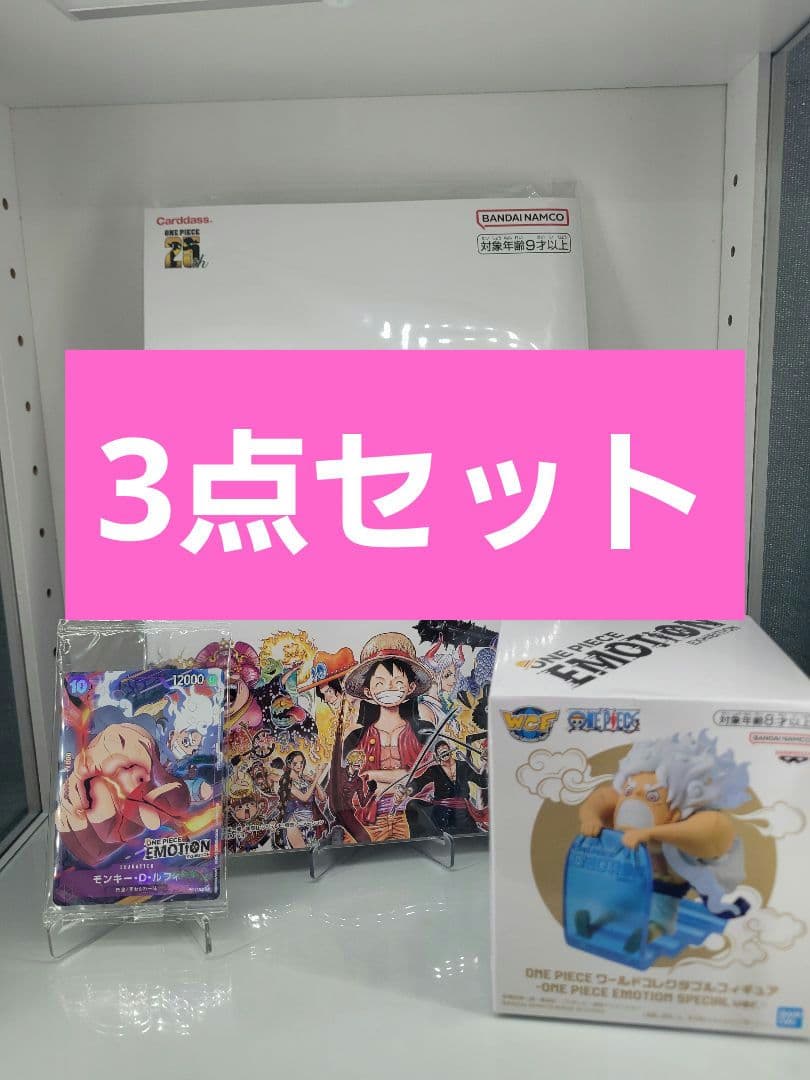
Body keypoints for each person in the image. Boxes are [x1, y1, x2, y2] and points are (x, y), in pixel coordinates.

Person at [576, 731, 750, 952]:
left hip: (665, 883)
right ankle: (595, 923)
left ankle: (649, 933)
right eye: (629, 791)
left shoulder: (693, 817)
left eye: (652, 797)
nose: (634, 800)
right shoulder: (626, 790)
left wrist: (652, 833)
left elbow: (714, 829)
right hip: (632, 876)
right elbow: (601, 798)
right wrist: (591, 818)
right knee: (618, 902)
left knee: (661, 915)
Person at [343, 632, 437, 843]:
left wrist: (375, 775)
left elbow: (428, 776)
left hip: (411, 817)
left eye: (397, 682)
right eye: (380, 683)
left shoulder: (422, 732)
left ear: (410, 687)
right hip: (368, 820)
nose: (390, 688)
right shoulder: (356, 737)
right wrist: (400, 776)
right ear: (368, 691)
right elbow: (353, 780)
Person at [405, 740, 489, 837]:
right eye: (439, 750)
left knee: (472, 837)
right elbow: (418, 782)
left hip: (462, 813)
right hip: (441, 812)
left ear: (450, 750)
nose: (442, 751)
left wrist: (486, 763)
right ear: (436, 756)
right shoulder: (434, 770)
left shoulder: (463, 766)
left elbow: (482, 782)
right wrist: (409, 790)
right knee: (412, 804)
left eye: (445, 748)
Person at [277, 750, 330, 850]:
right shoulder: (287, 781)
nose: (299, 765)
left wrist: (314, 781)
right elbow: (304, 798)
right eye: (295, 763)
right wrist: (316, 777)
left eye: (301, 762)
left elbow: (322, 798)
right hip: (295, 821)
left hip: (312, 820)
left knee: (313, 848)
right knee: (302, 851)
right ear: (289, 764)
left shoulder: (305, 779)